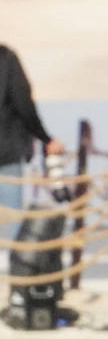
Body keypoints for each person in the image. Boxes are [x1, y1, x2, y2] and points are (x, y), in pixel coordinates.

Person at [0, 43, 62, 216]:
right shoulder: (6, 58)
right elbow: (23, 104)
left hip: (6, 150)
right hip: (6, 152)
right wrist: (46, 139)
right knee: (10, 217)